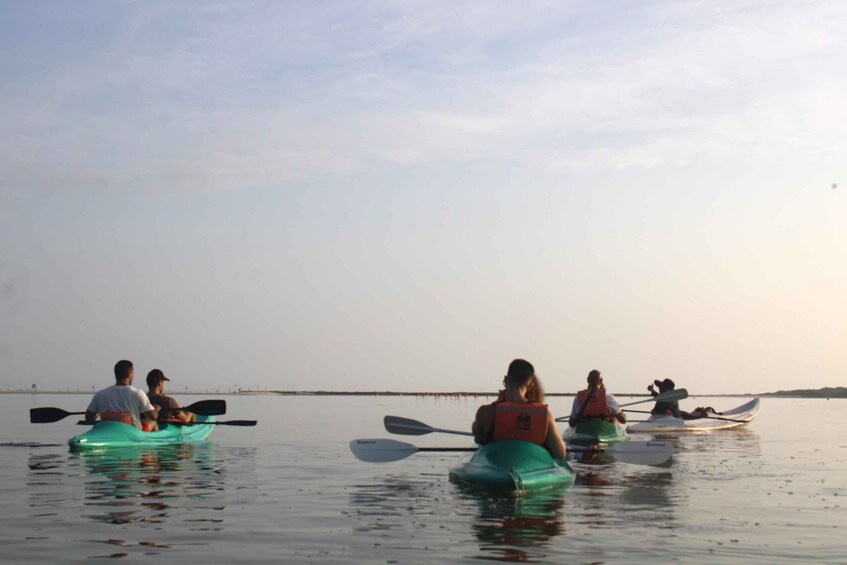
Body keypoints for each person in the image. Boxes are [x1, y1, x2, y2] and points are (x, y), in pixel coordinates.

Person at [472, 359, 567, 459]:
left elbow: (477, 435)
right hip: (530, 465)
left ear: (505, 380)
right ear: (530, 386)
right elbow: (561, 454)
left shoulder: (487, 412)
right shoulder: (546, 416)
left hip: (498, 464)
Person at [85, 360, 158, 431]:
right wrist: (156, 409)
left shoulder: (100, 394)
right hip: (131, 434)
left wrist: (99, 411)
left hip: (107, 432)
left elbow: (88, 418)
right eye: (133, 374)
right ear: (130, 374)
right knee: (153, 421)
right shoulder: (138, 393)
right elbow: (153, 417)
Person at [649, 378, 720, 419]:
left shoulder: (671, 398)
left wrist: (657, 411)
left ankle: (701, 416)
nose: (659, 388)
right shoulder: (663, 397)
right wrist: (652, 390)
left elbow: (664, 404)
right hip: (665, 417)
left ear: (667, 390)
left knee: (684, 414)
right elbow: (659, 398)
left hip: (675, 419)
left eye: (661, 387)